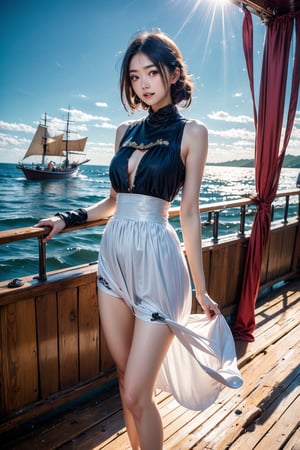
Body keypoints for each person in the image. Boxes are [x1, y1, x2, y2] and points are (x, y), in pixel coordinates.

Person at [36, 30, 242, 450]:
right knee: (125, 379)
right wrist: (66, 216)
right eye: (134, 76)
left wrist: (201, 291)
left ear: (172, 73)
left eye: (152, 72)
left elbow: (187, 211)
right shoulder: (123, 130)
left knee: (136, 393)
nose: (144, 83)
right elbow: (113, 201)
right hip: (113, 259)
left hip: (159, 262)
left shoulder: (193, 133)